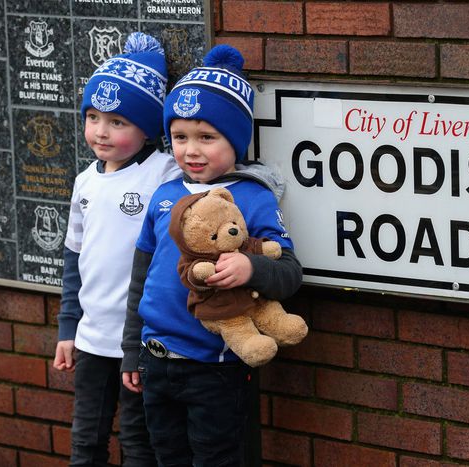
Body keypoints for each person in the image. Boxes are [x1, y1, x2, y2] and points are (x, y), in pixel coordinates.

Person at [120, 44, 302, 466]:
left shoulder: (252, 198)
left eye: (207, 137)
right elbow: (141, 279)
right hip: (156, 359)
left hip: (214, 367)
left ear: (235, 140)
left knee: (216, 459)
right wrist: (133, 350)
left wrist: (250, 266)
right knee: (168, 457)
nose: (191, 150)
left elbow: (290, 272)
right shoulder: (164, 195)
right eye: (180, 137)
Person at [53, 32, 181, 466]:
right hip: (91, 340)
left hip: (141, 341)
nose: (100, 132)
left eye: (118, 122)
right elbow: (74, 261)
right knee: (86, 440)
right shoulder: (84, 181)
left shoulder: (165, 173)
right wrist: (68, 329)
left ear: (148, 128)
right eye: (93, 116)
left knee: (138, 442)